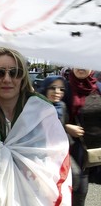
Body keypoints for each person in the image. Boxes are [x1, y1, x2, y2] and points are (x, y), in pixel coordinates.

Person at [0, 47, 71, 205]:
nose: (7, 79)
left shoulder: (41, 110)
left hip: (36, 196)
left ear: (23, 77)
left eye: (15, 73)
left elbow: (57, 154)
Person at [66, 68, 101, 206]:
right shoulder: (65, 88)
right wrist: (66, 127)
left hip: (98, 147)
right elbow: (50, 115)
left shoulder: (98, 87)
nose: (80, 67)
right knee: (79, 192)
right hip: (77, 151)